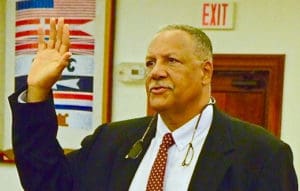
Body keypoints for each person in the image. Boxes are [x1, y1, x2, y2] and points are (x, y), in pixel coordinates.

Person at [9, 17, 298, 191]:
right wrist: (38, 90)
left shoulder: (261, 155)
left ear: (205, 71)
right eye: (150, 62)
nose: (156, 71)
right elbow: (46, 183)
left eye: (171, 60)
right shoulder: (111, 141)